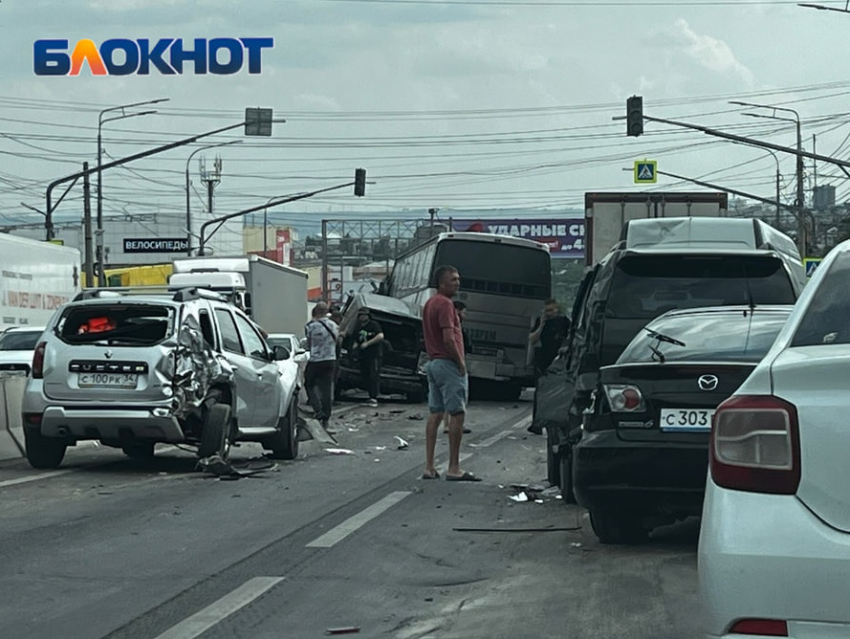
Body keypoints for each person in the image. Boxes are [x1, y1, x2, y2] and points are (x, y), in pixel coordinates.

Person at [421, 265, 481, 482]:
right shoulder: (446, 305)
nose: (458, 283)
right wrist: (460, 361)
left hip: (433, 363)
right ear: (442, 283)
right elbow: (448, 338)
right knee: (457, 413)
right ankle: (454, 467)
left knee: (436, 413)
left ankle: (429, 466)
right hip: (447, 364)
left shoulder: (429, 304)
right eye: (453, 279)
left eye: (458, 279)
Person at [527, 298, 570, 435]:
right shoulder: (541, 321)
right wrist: (541, 325)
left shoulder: (564, 322)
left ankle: (557, 423)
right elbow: (532, 339)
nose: (550, 313)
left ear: (557, 310)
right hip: (542, 361)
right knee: (540, 392)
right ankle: (537, 423)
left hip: (558, 361)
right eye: (547, 311)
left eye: (552, 310)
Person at [303, 302, 339, 432]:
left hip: (316, 359)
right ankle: (326, 419)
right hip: (330, 360)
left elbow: (309, 343)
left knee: (309, 384)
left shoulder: (311, 326)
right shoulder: (334, 326)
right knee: (327, 389)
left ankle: (318, 410)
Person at [443, 299, 472, 435]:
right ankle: (451, 425)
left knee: (451, 395)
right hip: (454, 363)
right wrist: (460, 363)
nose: (465, 316)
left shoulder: (452, 324)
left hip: (451, 362)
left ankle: (449, 424)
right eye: (464, 312)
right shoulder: (453, 326)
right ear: (458, 312)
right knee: (456, 395)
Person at [351, 308, 384, 407]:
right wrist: (355, 346)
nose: (362, 317)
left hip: (374, 354)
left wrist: (368, 343)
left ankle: (373, 397)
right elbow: (357, 339)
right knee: (366, 375)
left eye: (364, 315)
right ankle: (369, 396)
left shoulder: (374, 325)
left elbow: (380, 336)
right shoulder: (358, 327)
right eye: (361, 315)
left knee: (374, 376)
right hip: (363, 356)